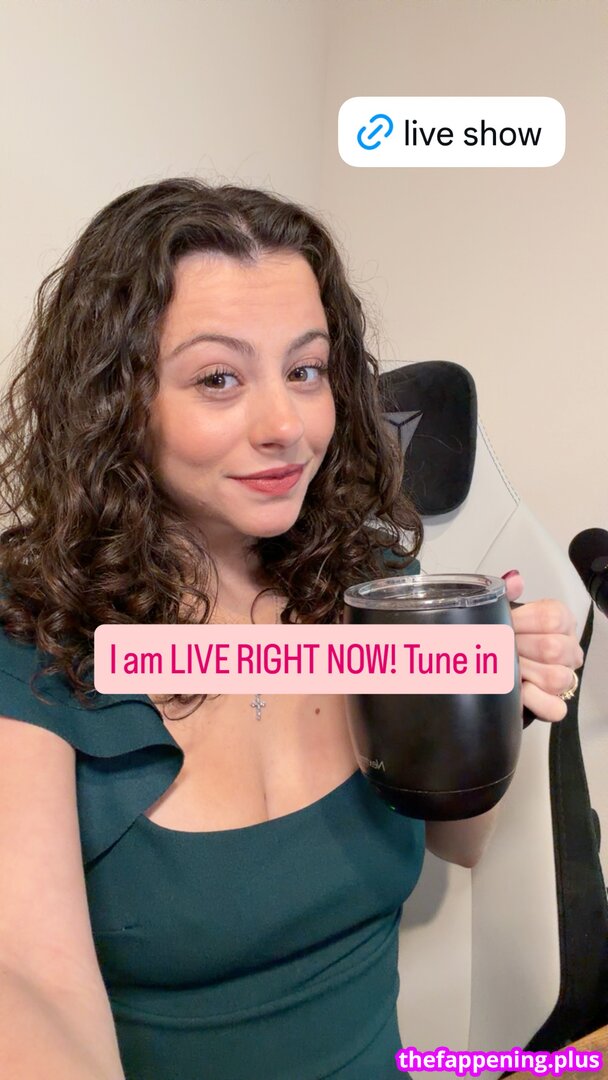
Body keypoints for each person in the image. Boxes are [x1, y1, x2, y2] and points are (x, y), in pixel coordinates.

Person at [0, 178, 583, 1080]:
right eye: (219, 378)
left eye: (306, 371)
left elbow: (460, 842)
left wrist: (492, 703)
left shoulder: (367, 584)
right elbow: (31, 993)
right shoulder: (31, 640)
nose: (287, 427)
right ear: (115, 401)